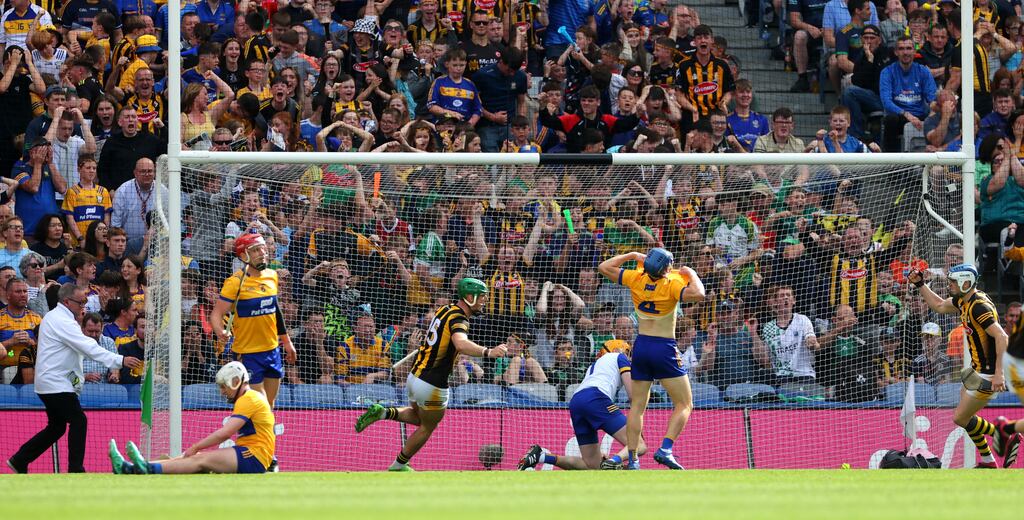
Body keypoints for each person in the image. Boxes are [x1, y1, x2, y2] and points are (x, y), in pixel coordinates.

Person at [353, 278, 508, 471]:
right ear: (469, 297)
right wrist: (488, 352)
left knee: (419, 417)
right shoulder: (459, 318)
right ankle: (398, 465)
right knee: (427, 426)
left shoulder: (444, 310)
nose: (484, 301)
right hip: (433, 383)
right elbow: (460, 342)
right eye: (482, 297)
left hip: (415, 376)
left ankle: (383, 412)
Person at [6, 283, 141, 473]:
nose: (84, 306)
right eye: (81, 302)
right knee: (79, 420)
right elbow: (88, 346)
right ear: (67, 302)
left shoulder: (57, 318)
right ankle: (75, 469)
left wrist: (77, 380)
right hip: (56, 384)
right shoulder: (62, 321)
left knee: (57, 427)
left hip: (53, 381)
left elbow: (68, 356)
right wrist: (120, 359)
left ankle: (20, 459)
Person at [597, 247, 706, 470]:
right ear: (667, 268)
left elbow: (604, 267)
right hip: (664, 347)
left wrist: (631, 256)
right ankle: (665, 448)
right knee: (685, 403)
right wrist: (691, 272)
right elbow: (699, 294)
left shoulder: (636, 278)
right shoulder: (672, 283)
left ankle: (634, 459)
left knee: (637, 407)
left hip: (642, 346)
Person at [907, 264, 1009, 468]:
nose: (949, 284)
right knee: (967, 417)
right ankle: (988, 461)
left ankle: (1003, 431)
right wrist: (920, 284)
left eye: (953, 282)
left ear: (965, 282)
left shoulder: (979, 307)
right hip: (976, 370)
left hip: (988, 374)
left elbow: (1002, 336)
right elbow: (939, 305)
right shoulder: (965, 300)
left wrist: (999, 374)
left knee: (961, 418)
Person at [108, 361, 274, 474]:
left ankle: (145, 468)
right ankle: (130, 468)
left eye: (224, 387)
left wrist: (195, 446)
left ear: (236, 381)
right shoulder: (248, 398)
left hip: (254, 456)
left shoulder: (249, 399)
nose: (222, 392)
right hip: (249, 453)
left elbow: (224, 433)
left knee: (199, 459)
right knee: (192, 460)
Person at [517, 346, 647, 470]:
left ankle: (541, 456)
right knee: (639, 445)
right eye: (628, 353)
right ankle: (613, 461)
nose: (630, 358)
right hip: (595, 397)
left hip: (577, 401)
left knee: (592, 465)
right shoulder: (620, 357)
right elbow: (633, 396)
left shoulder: (596, 366)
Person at [209, 233, 297, 410]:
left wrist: (287, 342)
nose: (262, 253)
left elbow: (275, 310)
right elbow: (216, 314)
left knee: (269, 404)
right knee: (260, 403)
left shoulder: (272, 275)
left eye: (263, 248)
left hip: (272, 350)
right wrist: (220, 330)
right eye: (255, 250)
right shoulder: (234, 283)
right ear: (243, 256)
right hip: (247, 353)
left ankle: (266, 436)